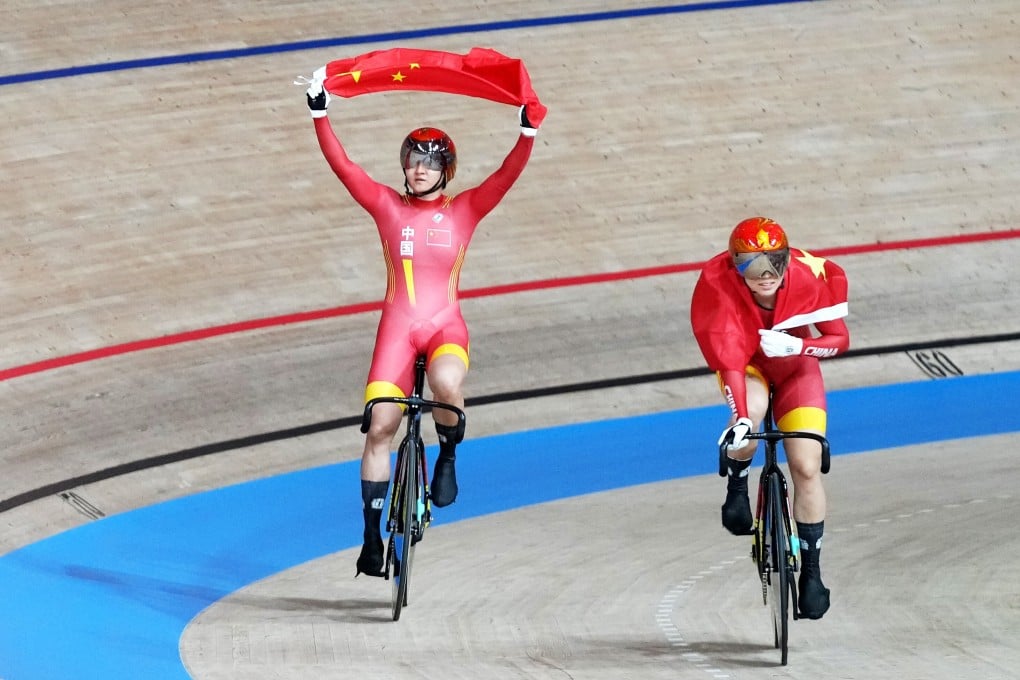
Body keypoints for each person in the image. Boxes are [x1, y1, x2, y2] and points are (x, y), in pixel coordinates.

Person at [304, 77, 541, 578]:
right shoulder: (387, 206)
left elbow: (505, 175)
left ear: (445, 172)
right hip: (397, 327)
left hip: (443, 325)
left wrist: (526, 134)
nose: (417, 169)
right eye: (412, 160)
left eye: (429, 163)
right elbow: (344, 167)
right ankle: (371, 537)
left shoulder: (465, 209)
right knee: (381, 429)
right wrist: (320, 115)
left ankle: (448, 455)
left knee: (446, 384)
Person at [689, 217, 850, 620]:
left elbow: (839, 339)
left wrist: (800, 345)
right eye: (750, 265)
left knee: (806, 467)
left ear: (785, 260)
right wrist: (740, 417)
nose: (765, 275)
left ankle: (811, 573)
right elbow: (728, 361)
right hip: (747, 367)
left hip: (796, 367)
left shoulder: (806, 279)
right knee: (753, 413)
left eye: (773, 263)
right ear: (734, 267)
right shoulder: (719, 287)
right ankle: (738, 485)